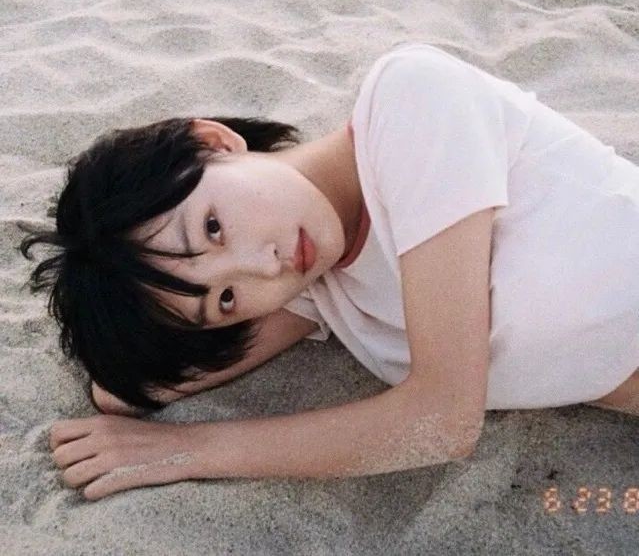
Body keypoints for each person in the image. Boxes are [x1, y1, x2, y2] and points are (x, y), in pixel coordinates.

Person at [20, 42, 639, 501]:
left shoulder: (412, 102)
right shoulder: (315, 291)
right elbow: (127, 390)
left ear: (212, 142)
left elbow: (443, 418)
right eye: (226, 298)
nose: (264, 265)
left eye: (212, 226)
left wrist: (187, 449)